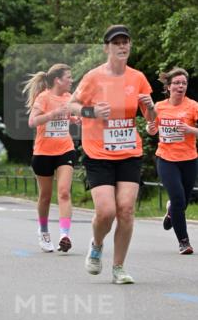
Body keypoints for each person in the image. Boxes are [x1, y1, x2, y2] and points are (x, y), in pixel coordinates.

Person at [71, 25, 156, 284]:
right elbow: (71, 106)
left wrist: (151, 109)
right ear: (107, 47)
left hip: (129, 151)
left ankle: (119, 267)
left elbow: (151, 121)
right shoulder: (94, 78)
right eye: (116, 42)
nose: (122, 46)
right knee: (106, 211)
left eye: (125, 42)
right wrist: (93, 112)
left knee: (127, 210)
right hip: (98, 154)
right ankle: (96, 244)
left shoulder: (138, 78)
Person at [23, 64, 76, 253]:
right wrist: (52, 114)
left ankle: (64, 235)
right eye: (68, 77)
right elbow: (32, 121)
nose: (71, 80)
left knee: (64, 192)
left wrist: (74, 119)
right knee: (45, 196)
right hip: (43, 153)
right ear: (57, 80)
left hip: (65, 150)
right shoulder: (44, 97)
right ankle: (44, 231)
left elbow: (71, 115)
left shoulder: (69, 98)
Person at [146, 67, 197, 255]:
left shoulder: (193, 106)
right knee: (177, 198)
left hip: (190, 159)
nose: (180, 86)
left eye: (184, 83)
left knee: (181, 202)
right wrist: (150, 130)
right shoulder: (159, 106)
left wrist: (191, 130)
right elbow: (151, 127)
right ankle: (184, 242)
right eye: (176, 83)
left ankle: (170, 212)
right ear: (168, 87)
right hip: (166, 159)